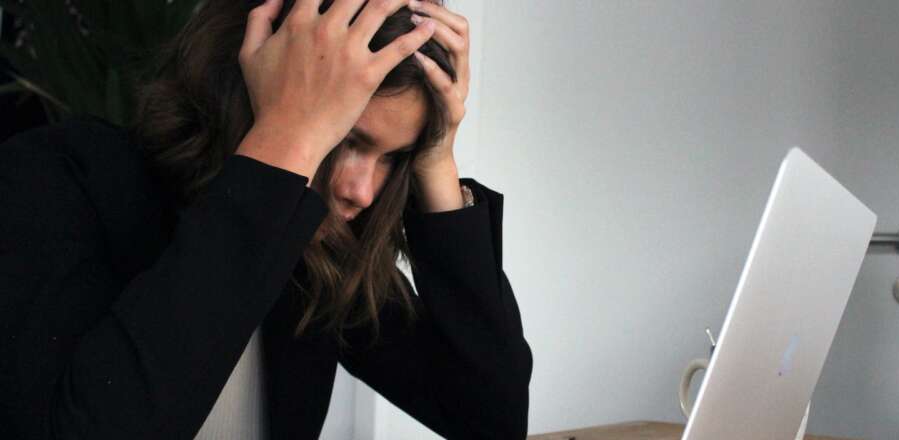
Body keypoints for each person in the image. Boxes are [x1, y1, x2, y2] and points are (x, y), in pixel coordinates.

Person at [0, 0, 532, 438]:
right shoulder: (57, 178)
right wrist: (286, 142)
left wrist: (436, 159)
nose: (361, 191)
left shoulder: (316, 252)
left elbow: (489, 419)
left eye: (394, 157)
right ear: (250, 84)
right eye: (345, 136)